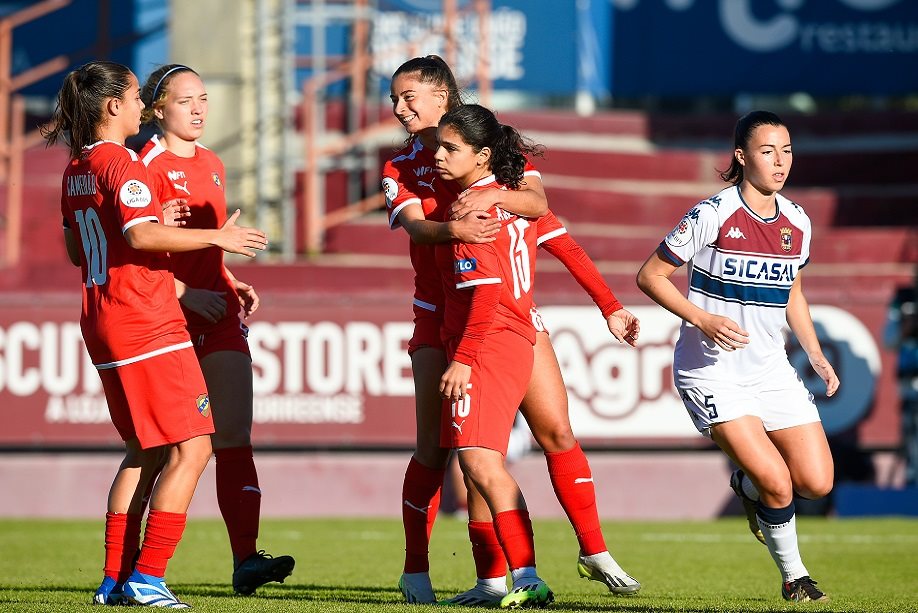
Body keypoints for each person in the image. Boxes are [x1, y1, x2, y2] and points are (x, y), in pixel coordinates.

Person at [384, 56, 641, 606]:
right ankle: (431, 573)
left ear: (443, 95)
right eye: (394, 99)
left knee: (548, 435)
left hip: (499, 312)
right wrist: (457, 224)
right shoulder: (401, 165)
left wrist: (492, 194)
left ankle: (583, 553)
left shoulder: (491, 153)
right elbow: (416, 227)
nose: (400, 109)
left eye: (409, 97)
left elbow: (541, 210)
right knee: (442, 448)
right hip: (440, 313)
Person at [42, 60, 268, 608]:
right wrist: (221, 236)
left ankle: (114, 580)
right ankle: (148, 576)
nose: (142, 105)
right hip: (145, 319)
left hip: (101, 318)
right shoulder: (124, 163)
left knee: (143, 450)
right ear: (113, 106)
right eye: (137, 96)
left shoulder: (77, 167)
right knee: (193, 448)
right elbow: (141, 236)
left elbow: (79, 249)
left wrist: (147, 228)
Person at [636, 110, 837, 603]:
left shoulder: (797, 220)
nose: (780, 161)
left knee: (816, 482)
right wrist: (703, 320)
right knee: (778, 482)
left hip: (771, 370)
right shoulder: (712, 214)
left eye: (787, 150)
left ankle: (745, 488)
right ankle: (796, 578)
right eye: (768, 151)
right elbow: (650, 276)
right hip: (712, 371)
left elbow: (792, 292)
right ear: (742, 156)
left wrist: (814, 352)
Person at [137, 63, 295, 595]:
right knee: (161, 450)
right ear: (158, 109)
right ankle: (130, 571)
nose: (199, 108)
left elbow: (207, 242)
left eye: (203, 98)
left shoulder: (212, 163)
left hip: (219, 312)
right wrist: (188, 290)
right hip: (169, 318)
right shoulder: (147, 166)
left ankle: (246, 558)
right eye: (185, 100)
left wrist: (227, 274)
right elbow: (136, 252)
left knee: (233, 436)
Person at [434, 103, 555, 608]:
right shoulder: (507, 198)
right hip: (513, 336)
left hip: (488, 341)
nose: (439, 156)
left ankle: (526, 577)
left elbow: (484, 295)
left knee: (481, 464)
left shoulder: (472, 210)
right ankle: (494, 582)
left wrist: (462, 358)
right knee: (479, 464)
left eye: (450, 148)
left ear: (482, 156)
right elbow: (557, 234)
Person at [884, 264, 918, 486]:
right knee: (911, 435)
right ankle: (913, 480)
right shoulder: (904, 300)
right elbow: (888, 341)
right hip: (911, 379)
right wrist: (905, 327)